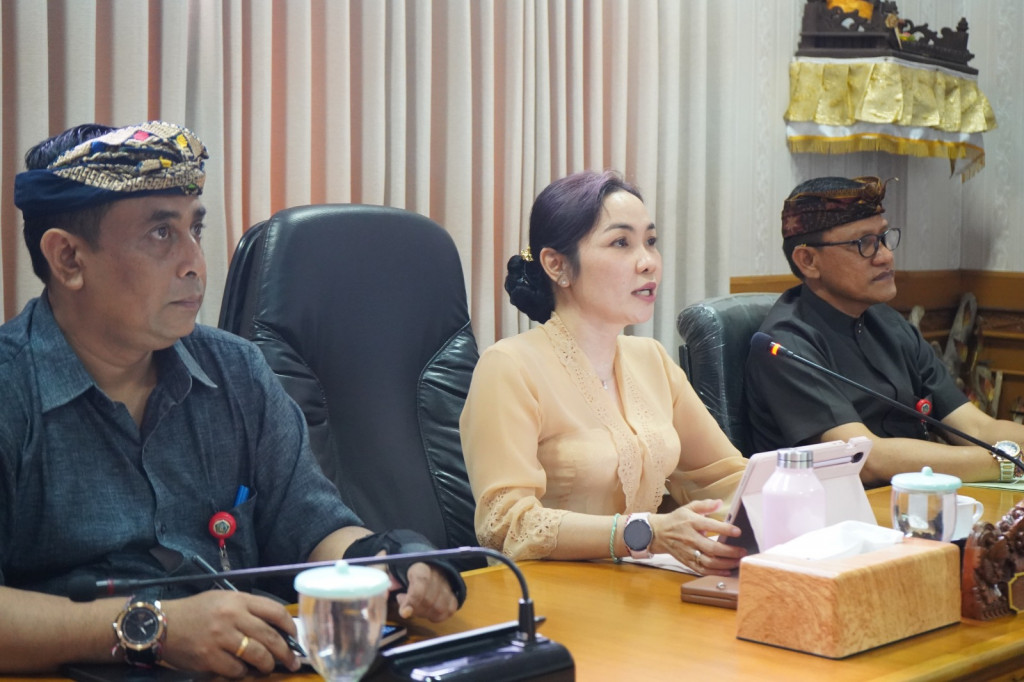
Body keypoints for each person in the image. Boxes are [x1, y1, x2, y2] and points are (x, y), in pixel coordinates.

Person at [0, 121, 463, 676]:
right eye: (161, 234)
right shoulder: (11, 389)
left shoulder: (237, 370)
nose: (195, 261)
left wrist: (385, 563)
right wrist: (152, 627)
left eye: (194, 228)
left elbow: (312, 526)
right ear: (69, 259)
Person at [460, 170, 747, 577]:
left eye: (650, 241)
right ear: (557, 265)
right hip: (549, 592)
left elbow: (723, 477)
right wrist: (644, 533)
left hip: (642, 585)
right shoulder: (508, 366)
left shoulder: (652, 359)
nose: (648, 262)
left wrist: (792, 491)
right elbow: (506, 526)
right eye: (621, 243)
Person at [744, 175, 1024, 487]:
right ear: (808, 260)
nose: (886, 256)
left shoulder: (887, 322)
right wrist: (1008, 463)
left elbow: (976, 428)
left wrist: (1011, 453)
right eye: (864, 244)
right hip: (836, 510)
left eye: (884, 237)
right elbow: (865, 459)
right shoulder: (786, 344)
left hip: (913, 499)